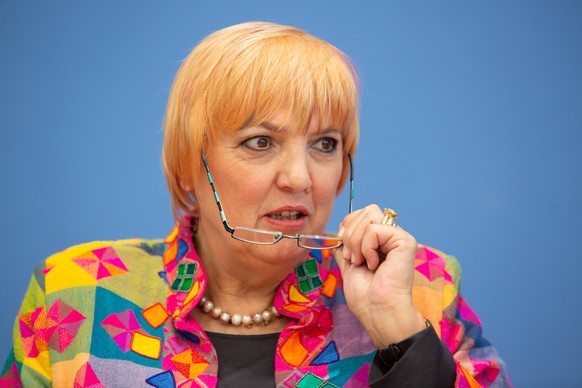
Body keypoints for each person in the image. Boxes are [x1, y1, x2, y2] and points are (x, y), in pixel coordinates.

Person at [1, 21, 510, 387]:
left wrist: (401, 338)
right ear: (186, 166)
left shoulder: (422, 287)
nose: (300, 178)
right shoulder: (77, 293)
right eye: (260, 142)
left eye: (325, 144)